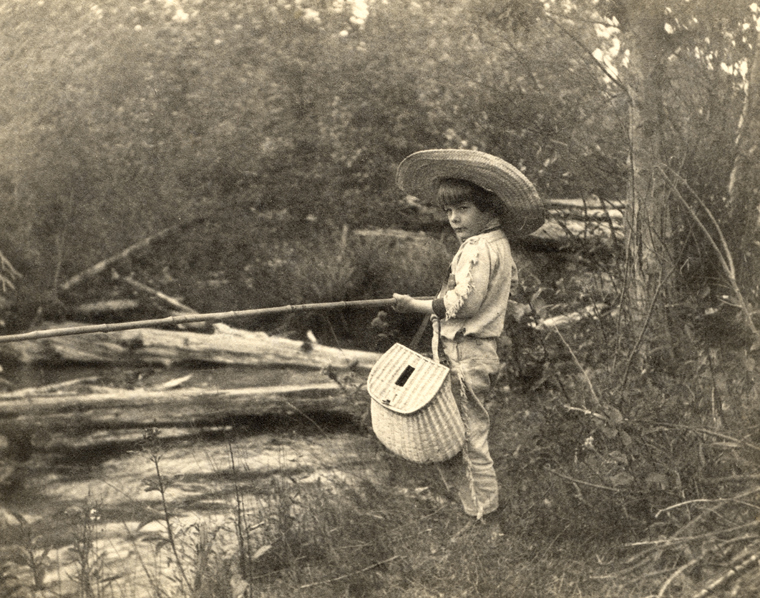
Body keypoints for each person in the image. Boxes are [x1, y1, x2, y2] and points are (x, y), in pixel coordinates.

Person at [392, 149, 544, 519]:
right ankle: (476, 510)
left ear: (489, 209)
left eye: (464, 209)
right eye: (449, 211)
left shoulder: (479, 249)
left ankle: (484, 516)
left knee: (466, 439)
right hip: (470, 350)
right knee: (460, 433)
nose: (455, 218)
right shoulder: (494, 244)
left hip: (467, 351)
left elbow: (462, 305)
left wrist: (413, 305)